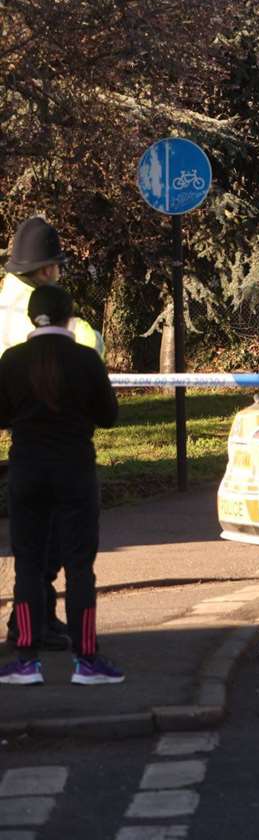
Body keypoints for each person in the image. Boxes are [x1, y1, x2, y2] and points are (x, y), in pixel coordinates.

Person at [0, 285, 122, 686]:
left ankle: (25, 660)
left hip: (27, 472)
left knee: (28, 565)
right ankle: (86, 660)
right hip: (74, 472)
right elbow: (108, 416)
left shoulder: (12, 361)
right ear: (70, 318)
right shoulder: (85, 360)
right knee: (79, 567)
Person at [1, 216, 101, 652]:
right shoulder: (58, 321)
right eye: (57, 266)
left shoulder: (5, 306)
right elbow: (91, 353)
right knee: (66, 552)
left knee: (29, 551)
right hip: (68, 455)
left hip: (23, 453)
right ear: (45, 271)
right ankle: (78, 646)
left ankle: (30, 629)